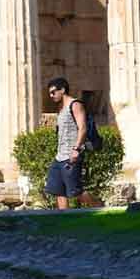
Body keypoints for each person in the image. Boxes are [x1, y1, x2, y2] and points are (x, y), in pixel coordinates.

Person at [44, 78, 103, 209]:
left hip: (72, 155)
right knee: (58, 190)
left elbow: (82, 128)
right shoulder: (61, 108)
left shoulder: (75, 104)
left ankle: (100, 206)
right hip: (59, 156)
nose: (51, 96)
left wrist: (76, 149)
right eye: (50, 93)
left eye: (53, 92)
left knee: (76, 192)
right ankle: (64, 219)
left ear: (63, 90)